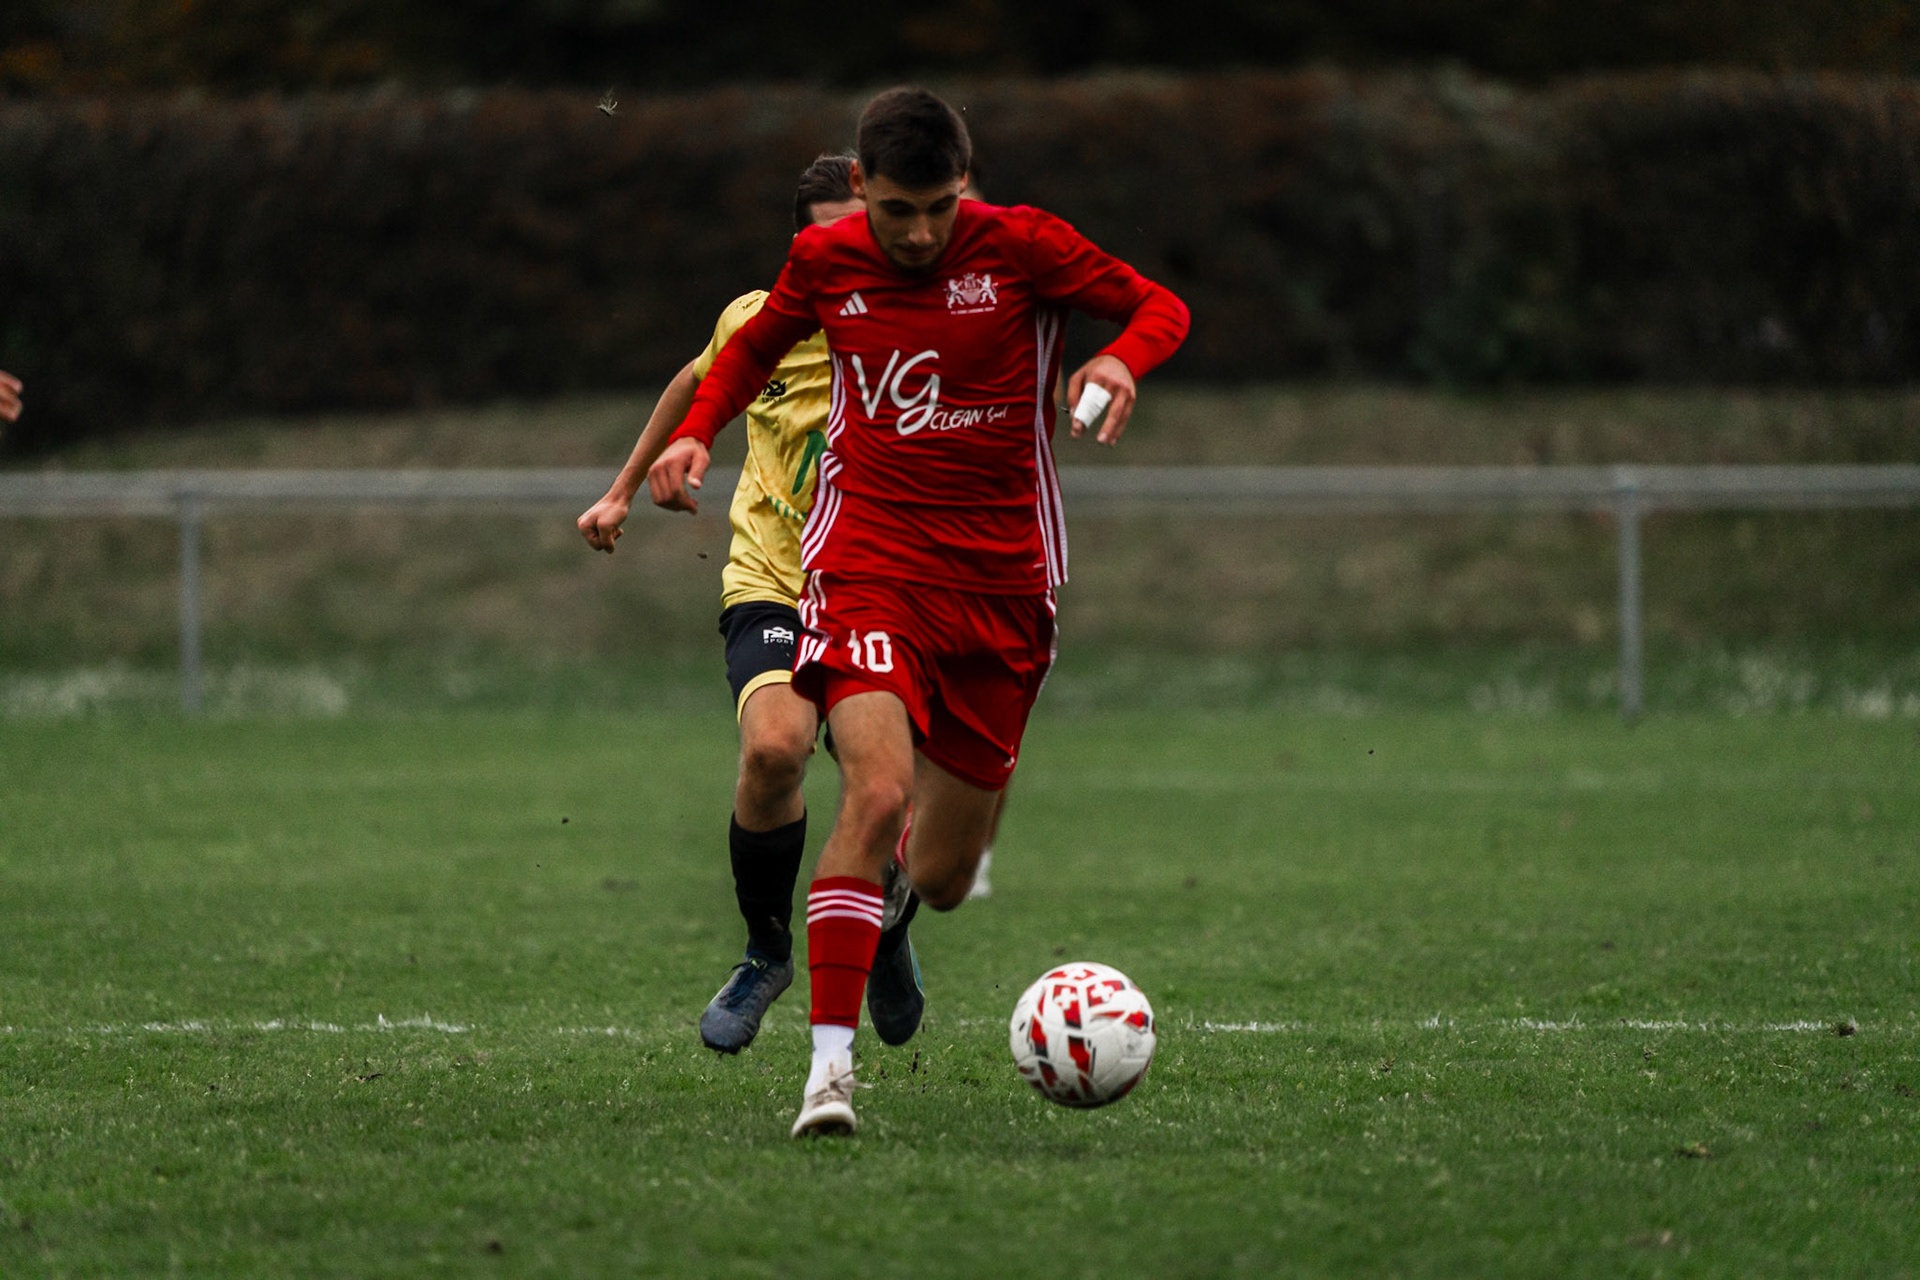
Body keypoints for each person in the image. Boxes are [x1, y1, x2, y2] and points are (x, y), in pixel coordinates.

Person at [647, 87, 1189, 1137]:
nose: (921, 231)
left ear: (964, 186)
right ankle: (829, 1075)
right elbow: (748, 355)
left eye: (939, 206)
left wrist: (1124, 356)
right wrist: (693, 436)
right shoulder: (826, 262)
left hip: (1001, 591)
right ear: (861, 188)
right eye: (899, 209)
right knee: (877, 790)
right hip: (868, 564)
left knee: (939, 875)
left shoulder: (1023, 247)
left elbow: (1159, 304)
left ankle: (892, 913)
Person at [577, 155, 933, 1055]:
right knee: (775, 747)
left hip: (885, 582)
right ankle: (767, 951)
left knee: (882, 791)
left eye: (850, 231)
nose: (834, 251)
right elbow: (697, 382)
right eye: (816, 236)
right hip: (773, 576)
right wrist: (619, 491)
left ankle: (884, 922)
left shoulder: (918, 320)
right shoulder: (759, 316)